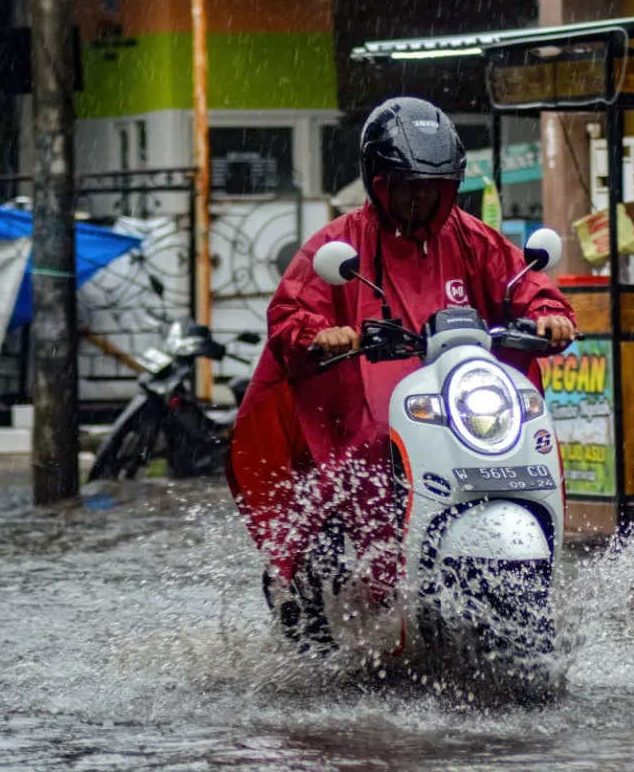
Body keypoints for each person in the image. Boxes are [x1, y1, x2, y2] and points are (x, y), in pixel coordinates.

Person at [226, 96, 576, 635]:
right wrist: (322, 335)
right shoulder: (338, 244)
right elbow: (294, 309)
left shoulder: (472, 237)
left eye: (431, 186)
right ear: (378, 181)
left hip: (454, 405)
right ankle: (357, 590)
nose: (419, 197)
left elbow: (523, 283)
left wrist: (549, 314)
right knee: (358, 459)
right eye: (407, 184)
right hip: (363, 412)